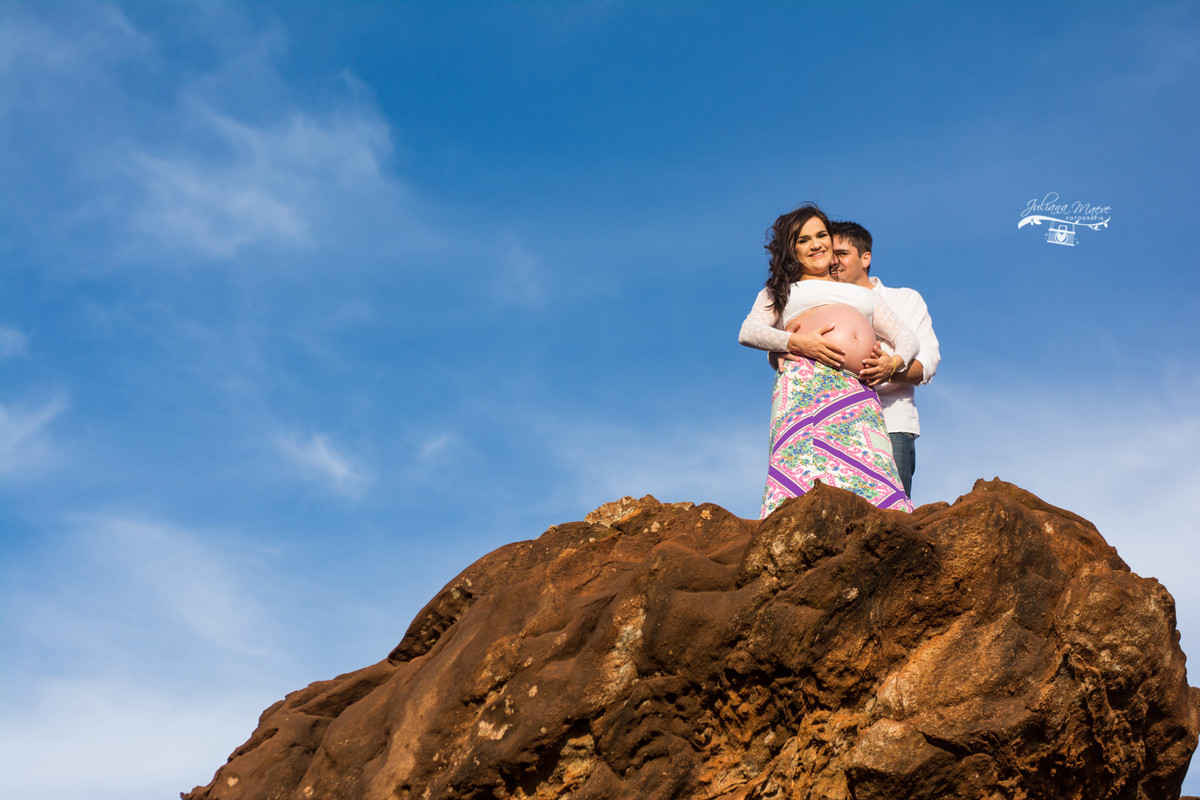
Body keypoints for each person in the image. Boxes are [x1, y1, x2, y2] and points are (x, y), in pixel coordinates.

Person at [739, 204, 918, 517]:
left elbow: (908, 338)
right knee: (807, 475)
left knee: (872, 479)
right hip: (808, 387)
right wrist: (796, 342)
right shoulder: (781, 290)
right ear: (790, 250)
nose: (816, 244)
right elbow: (749, 331)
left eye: (821, 235)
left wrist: (893, 363)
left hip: (859, 394)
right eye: (804, 240)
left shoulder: (863, 294)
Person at [828, 221, 940, 498]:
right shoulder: (823, 305)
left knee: (891, 514)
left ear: (865, 258)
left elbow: (928, 360)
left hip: (891, 423)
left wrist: (888, 370)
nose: (833, 262)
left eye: (841, 253)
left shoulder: (904, 299)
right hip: (836, 425)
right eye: (829, 255)